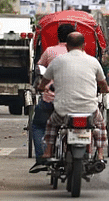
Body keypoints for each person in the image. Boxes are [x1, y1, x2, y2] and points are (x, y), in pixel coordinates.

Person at [39, 32, 109, 161]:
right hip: (89, 110)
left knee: (51, 124)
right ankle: (100, 154)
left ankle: (48, 151)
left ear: (67, 46)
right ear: (83, 45)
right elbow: (103, 83)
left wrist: (39, 87)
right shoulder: (93, 61)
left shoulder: (57, 61)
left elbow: (44, 81)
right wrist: (105, 90)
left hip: (63, 111)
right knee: (100, 125)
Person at [29, 23, 75, 173]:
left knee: (38, 125)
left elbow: (40, 68)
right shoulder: (81, 55)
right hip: (76, 102)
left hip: (51, 100)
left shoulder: (50, 52)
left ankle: (42, 157)